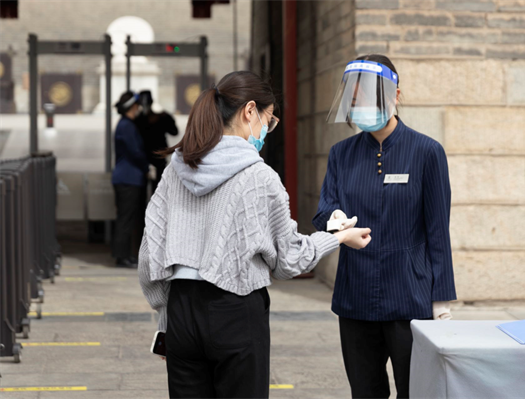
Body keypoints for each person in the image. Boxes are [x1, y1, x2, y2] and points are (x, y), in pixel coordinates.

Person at [137, 70, 372, 399]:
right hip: (235, 311)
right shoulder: (260, 177)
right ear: (249, 111)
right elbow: (289, 260)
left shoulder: (176, 170)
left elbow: (150, 254)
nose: (267, 129)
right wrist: (338, 238)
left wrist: (166, 319)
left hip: (180, 312)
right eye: (269, 119)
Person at [313, 54, 457, 399]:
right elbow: (323, 211)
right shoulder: (341, 153)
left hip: (410, 296)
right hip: (355, 295)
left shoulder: (426, 152)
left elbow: (438, 230)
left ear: (395, 95)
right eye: (355, 98)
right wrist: (333, 220)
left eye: (370, 97)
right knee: (365, 391)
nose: (361, 105)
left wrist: (442, 299)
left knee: (416, 389)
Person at [112, 91, 149, 268]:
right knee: (126, 219)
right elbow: (135, 152)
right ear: (132, 108)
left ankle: (126, 254)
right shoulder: (127, 126)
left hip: (129, 178)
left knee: (127, 218)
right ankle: (122, 256)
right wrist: (146, 166)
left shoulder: (126, 125)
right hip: (128, 178)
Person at [135, 90, 179, 192]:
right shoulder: (138, 120)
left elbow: (174, 131)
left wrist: (166, 118)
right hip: (145, 160)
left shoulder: (159, 118)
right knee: (146, 192)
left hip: (157, 159)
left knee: (158, 190)